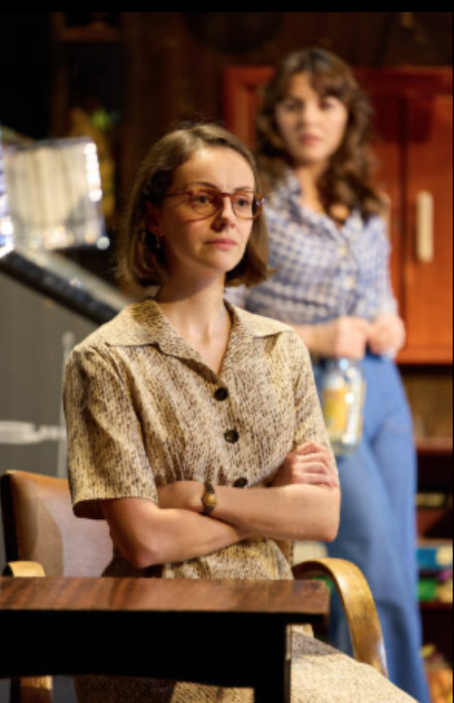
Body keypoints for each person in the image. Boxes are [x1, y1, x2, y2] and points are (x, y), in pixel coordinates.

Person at [64, 122, 418, 703]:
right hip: (156, 644)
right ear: (154, 216)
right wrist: (273, 505)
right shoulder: (105, 358)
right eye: (202, 199)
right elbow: (145, 541)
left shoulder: (282, 348)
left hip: (279, 641)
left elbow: (322, 515)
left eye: (242, 201)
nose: (227, 217)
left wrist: (202, 497)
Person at [225, 49, 430, 703]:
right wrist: (314, 335)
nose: (309, 118)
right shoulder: (257, 201)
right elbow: (226, 308)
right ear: (273, 116)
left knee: (399, 561)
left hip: (381, 389)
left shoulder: (366, 200)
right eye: (293, 104)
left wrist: (390, 320)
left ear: (348, 114)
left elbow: (378, 295)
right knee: (373, 569)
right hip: (310, 385)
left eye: (325, 102)